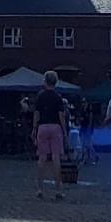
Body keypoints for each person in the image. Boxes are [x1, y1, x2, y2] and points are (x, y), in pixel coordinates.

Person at [31, 70, 68, 200]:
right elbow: (61, 115)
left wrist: (34, 128)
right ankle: (58, 190)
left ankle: (40, 189)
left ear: (45, 81)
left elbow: (36, 113)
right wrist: (64, 131)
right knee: (56, 158)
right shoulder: (58, 97)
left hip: (42, 127)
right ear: (55, 82)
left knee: (42, 158)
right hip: (55, 127)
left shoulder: (40, 96)